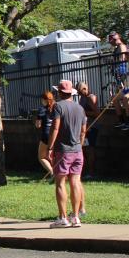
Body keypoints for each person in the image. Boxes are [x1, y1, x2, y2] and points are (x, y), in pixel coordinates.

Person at [47, 80, 87, 228]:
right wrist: (79, 146)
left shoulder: (58, 106)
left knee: (60, 183)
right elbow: (83, 131)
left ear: (59, 92)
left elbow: (55, 128)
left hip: (62, 151)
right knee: (75, 182)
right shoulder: (80, 108)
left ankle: (63, 218)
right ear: (71, 93)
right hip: (77, 151)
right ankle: (76, 217)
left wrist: (50, 147)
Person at [77, 81, 100, 181]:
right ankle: (87, 172)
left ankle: (91, 173)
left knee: (90, 149)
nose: (80, 94)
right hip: (85, 128)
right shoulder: (82, 98)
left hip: (92, 127)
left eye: (80, 91)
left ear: (85, 88)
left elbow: (97, 113)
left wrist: (83, 112)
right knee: (85, 149)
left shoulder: (91, 97)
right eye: (78, 92)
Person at [35, 91, 56, 178]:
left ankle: (52, 173)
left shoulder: (42, 109)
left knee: (42, 157)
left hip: (46, 135)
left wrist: (36, 121)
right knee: (53, 155)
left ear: (44, 100)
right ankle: (59, 173)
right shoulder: (56, 107)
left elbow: (38, 125)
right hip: (56, 134)